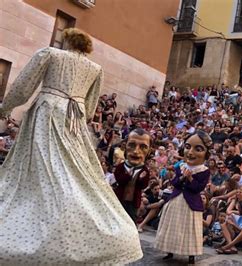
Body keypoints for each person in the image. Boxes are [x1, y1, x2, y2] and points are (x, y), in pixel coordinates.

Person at [0, 28, 143, 264]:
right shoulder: (96, 69)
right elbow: (90, 104)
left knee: (43, 165)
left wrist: (5, 108)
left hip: (48, 113)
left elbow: (24, 86)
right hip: (74, 119)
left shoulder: (50, 54)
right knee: (75, 170)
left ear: (67, 40)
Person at [155, 130, 212, 264]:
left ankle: (191, 255)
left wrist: (190, 178)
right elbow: (174, 183)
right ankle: (169, 250)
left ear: (206, 153)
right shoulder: (180, 166)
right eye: (187, 147)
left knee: (190, 229)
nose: (191, 152)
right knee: (172, 225)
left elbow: (198, 188)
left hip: (191, 203)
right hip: (176, 200)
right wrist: (182, 177)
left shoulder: (204, 170)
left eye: (198, 149)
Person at [113, 129, 151, 222]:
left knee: (131, 220)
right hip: (119, 199)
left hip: (133, 201)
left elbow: (144, 185)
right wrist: (128, 176)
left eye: (143, 147)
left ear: (149, 151)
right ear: (125, 146)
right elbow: (119, 180)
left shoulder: (144, 170)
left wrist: (141, 178)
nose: (136, 151)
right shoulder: (121, 166)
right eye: (132, 145)